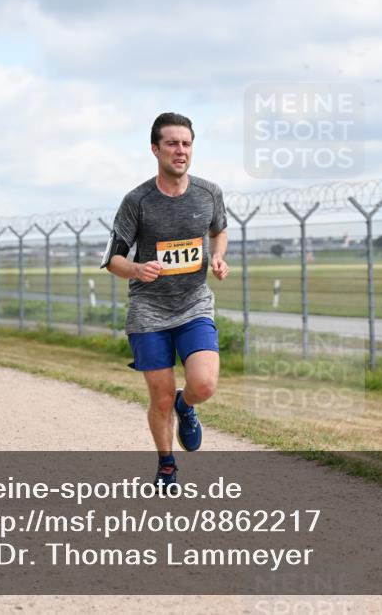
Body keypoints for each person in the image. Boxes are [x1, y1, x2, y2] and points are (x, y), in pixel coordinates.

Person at [101, 112, 229, 489]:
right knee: (158, 398)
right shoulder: (137, 201)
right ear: (155, 149)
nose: (180, 150)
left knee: (204, 384)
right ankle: (166, 465)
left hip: (194, 305)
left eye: (186, 143)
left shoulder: (209, 193)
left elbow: (219, 231)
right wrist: (137, 270)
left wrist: (218, 256)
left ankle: (185, 405)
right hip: (149, 312)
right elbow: (113, 259)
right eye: (172, 143)